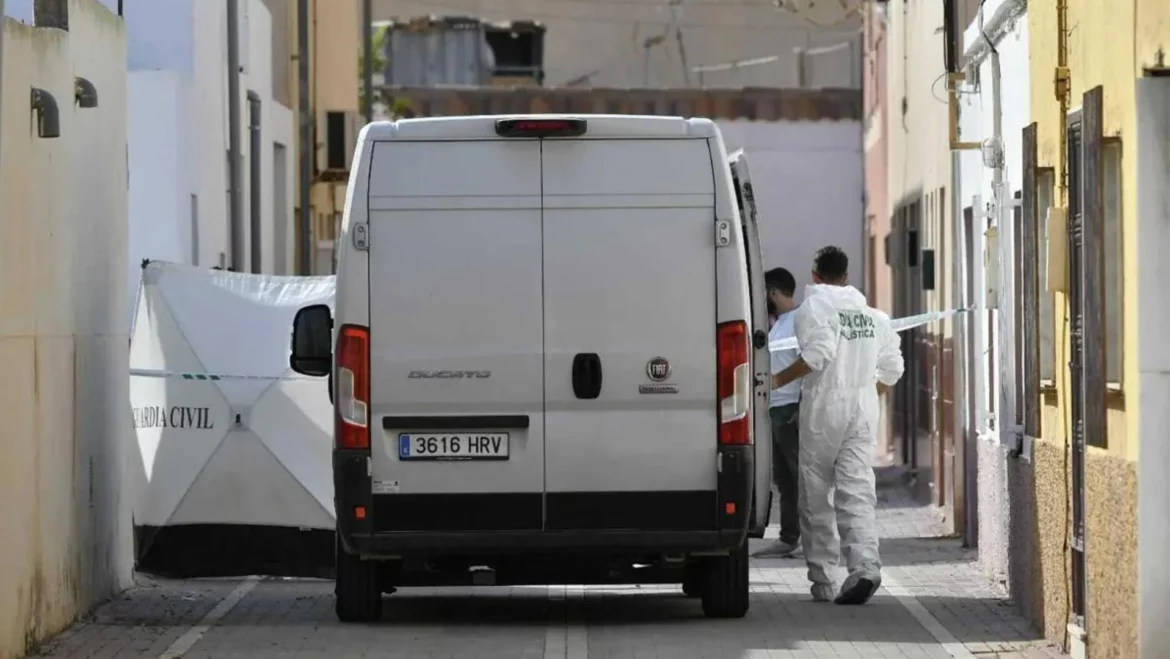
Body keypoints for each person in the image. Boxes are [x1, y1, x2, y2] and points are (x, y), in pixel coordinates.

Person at [770, 246, 904, 605]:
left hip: (825, 408)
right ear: (846, 277)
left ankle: (825, 581)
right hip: (864, 408)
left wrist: (773, 381)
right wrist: (867, 393)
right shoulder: (874, 315)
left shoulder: (814, 307)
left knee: (816, 495)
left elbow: (817, 355)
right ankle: (865, 569)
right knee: (857, 491)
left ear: (814, 276)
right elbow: (892, 368)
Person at [752, 267, 803, 559]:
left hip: (790, 410)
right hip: (776, 411)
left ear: (773, 293)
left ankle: (809, 537)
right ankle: (788, 537)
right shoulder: (779, 324)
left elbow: (811, 363)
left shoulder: (797, 322)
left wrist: (801, 408)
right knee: (784, 480)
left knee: (799, 479)